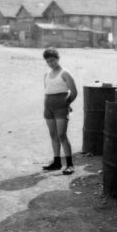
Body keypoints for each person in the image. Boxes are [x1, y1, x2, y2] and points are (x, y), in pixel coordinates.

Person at [42, 47, 77, 175]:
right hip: (49, 107)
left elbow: (74, 92)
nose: (51, 63)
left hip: (61, 107)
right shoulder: (47, 74)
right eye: (48, 61)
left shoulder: (65, 73)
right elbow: (47, 91)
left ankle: (70, 164)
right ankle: (56, 162)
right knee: (53, 134)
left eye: (53, 60)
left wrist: (66, 104)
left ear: (58, 59)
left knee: (62, 134)